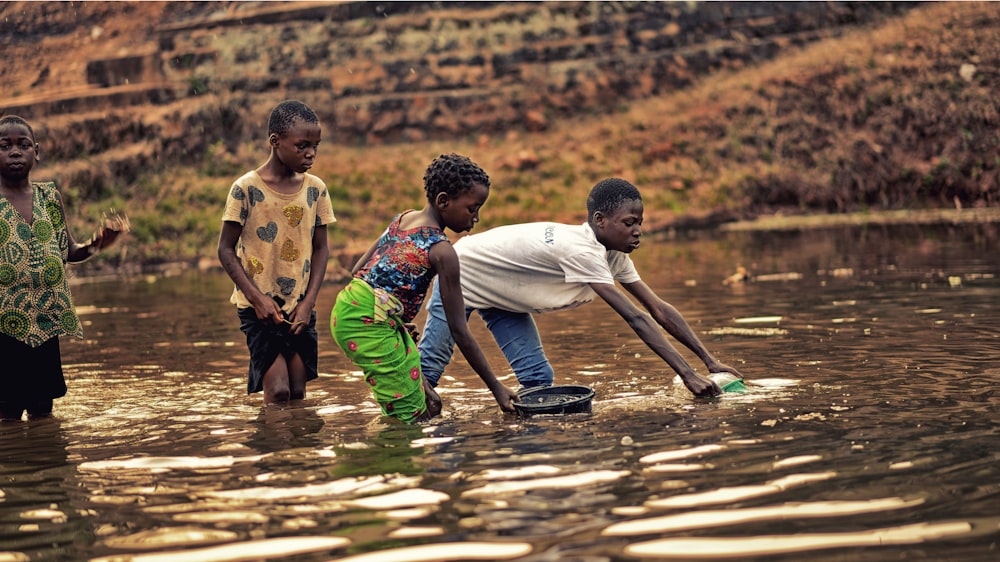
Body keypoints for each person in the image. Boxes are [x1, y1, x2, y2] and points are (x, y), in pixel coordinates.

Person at [418, 177, 745, 397]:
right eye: (629, 223)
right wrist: (688, 374)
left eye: (640, 223)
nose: (637, 232)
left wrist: (709, 361)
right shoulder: (582, 249)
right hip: (462, 274)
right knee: (428, 371)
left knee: (538, 381)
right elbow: (635, 317)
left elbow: (657, 308)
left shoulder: (612, 254)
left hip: (506, 292)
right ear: (600, 221)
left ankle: (525, 453)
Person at [331, 153, 519, 424]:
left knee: (430, 403)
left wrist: (391, 318)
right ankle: (385, 460)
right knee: (410, 417)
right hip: (366, 322)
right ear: (443, 201)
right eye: (472, 208)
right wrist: (496, 388)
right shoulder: (442, 251)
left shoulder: (402, 218)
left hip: (351, 307)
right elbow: (458, 330)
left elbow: (359, 270)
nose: (476, 218)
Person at [0, 115, 124, 421]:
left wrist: (97, 243)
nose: (15, 152)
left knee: (44, 409)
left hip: (44, 323)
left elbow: (68, 251)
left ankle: (48, 465)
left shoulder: (49, 198)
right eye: (5, 146)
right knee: (7, 413)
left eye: (23, 145)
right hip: (3, 327)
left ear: (37, 152)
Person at [218, 100, 335, 405]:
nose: (311, 153)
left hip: (299, 308)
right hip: (257, 308)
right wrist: (258, 300)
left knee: (298, 391)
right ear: (275, 141)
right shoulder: (245, 188)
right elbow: (225, 249)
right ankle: (274, 452)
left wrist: (309, 303)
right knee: (279, 391)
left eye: (316, 146)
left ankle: (295, 453)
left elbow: (322, 249)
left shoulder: (316, 189)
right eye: (302, 145)